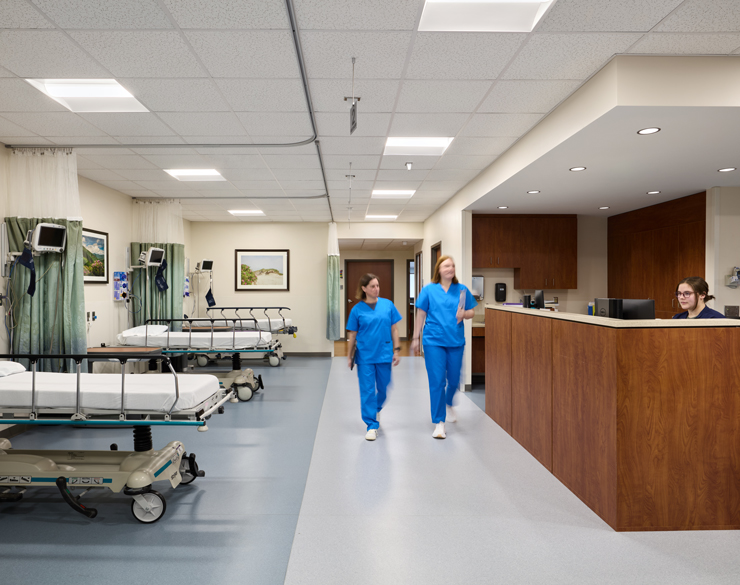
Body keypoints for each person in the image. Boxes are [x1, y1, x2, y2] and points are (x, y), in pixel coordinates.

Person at [412, 256, 477, 439]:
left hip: (455, 341)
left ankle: (449, 403)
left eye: (453, 265)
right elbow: (421, 313)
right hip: (433, 341)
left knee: (455, 380)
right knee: (437, 381)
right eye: (447, 265)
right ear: (438, 269)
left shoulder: (462, 290)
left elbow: (472, 311)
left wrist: (464, 314)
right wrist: (416, 337)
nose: (451, 268)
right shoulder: (429, 290)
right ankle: (439, 423)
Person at [346, 273, 402, 441]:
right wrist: (349, 356)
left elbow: (395, 329)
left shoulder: (388, 305)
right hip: (365, 356)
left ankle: (375, 408)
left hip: (384, 353)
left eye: (377, 285)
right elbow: (352, 335)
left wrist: (397, 350)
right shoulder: (357, 310)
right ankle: (371, 425)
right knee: (367, 390)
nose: (376, 289)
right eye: (372, 286)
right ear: (364, 289)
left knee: (384, 388)